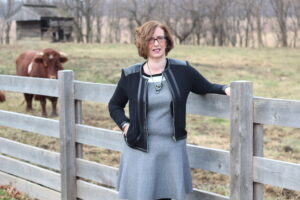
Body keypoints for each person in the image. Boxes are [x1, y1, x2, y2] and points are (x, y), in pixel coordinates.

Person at [108, 20, 231, 200]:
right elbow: (114, 105)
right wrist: (125, 126)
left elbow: (206, 86)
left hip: (171, 149)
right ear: (143, 43)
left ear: (167, 42)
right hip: (140, 149)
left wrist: (225, 89)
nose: (156, 44)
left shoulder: (183, 70)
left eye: (160, 38)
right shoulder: (130, 75)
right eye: (151, 40)